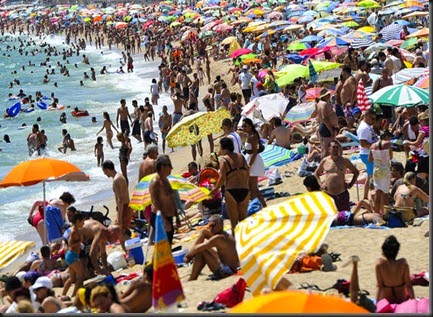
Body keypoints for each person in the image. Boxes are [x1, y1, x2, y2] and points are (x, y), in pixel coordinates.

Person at [210, 138, 250, 235]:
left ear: (223, 147)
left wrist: (215, 190)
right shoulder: (241, 157)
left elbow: (222, 178)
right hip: (244, 190)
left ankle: (236, 247)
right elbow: (247, 171)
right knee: (243, 221)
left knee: (234, 223)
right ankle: (246, 243)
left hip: (231, 191)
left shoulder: (224, 160)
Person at [184, 215, 240, 281]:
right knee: (204, 233)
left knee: (201, 251)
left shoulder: (218, 238)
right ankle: (192, 271)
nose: (209, 227)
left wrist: (188, 256)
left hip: (228, 271)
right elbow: (204, 233)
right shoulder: (226, 235)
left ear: (219, 225)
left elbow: (197, 249)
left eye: (212, 225)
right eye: (209, 225)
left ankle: (192, 278)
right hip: (229, 266)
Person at [314, 140, 359, 212]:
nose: (336, 149)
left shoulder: (344, 160)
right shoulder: (325, 161)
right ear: (329, 149)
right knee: (330, 216)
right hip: (329, 194)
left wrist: (351, 184)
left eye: (337, 147)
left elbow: (356, 172)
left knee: (345, 216)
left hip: (342, 193)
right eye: (334, 147)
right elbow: (316, 173)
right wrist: (320, 184)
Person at [149, 155, 180, 245]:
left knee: (168, 244)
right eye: (169, 165)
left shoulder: (166, 180)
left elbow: (171, 198)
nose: (172, 168)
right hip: (160, 218)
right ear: (162, 166)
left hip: (168, 217)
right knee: (163, 245)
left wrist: (177, 216)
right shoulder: (155, 182)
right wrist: (164, 220)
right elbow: (155, 203)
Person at [102, 160, 133, 251]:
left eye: (104, 171)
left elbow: (120, 199)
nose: (104, 173)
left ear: (107, 169)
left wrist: (119, 216)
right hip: (124, 206)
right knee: (121, 232)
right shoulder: (119, 177)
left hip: (124, 207)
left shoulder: (117, 179)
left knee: (120, 232)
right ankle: (128, 251)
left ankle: (130, 251)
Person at [375, 235, 415, 304]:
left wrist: (376, 303)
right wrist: (413, 301)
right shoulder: (403, 263)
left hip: (386, 300)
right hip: (401, 299)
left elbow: (380, 286)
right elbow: (409, 285)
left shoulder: (379, 264)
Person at [241, 118, 266, 207]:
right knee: (253, 187)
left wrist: (249, 165)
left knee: (253, 188)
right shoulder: (248, 135)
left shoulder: (252, 136)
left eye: (245, 126)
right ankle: (263, 205)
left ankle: (255, 206)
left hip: (253, 162)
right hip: (251, 160)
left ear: (250, 126)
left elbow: (255, 152)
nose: (243, 128)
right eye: (242, 126)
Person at [368, 130, 393, 215]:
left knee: (377, 193)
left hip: (376, 170)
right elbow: (391, 156)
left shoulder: (372, 146)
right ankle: (385, 214)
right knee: (385, 194)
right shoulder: (387, 144)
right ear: (386, 137)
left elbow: (369, 159)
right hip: (385, 170)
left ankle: (376, 214)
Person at [62, 212, 86, 297]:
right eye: (83, 221)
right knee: (81, 276)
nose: (84, 223)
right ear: (78, 221)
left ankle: (63, 295)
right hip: (72, 256)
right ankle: (74, 295)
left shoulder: (76, 230)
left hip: (71, 255)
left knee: (72, 278)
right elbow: (70, 244)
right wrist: (80, 241)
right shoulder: (73, 231)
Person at [357, 108, 378, 200]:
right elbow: (363, 143)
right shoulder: (364, 128)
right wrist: (376, 145)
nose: (373, 121)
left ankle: (366, 196)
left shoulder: (366, 126)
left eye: (374, 119)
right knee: (371, 177)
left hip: (369, 153)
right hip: (367, 154)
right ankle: (367, 196)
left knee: (370, 176)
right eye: (371, 118)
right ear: (366, 116)